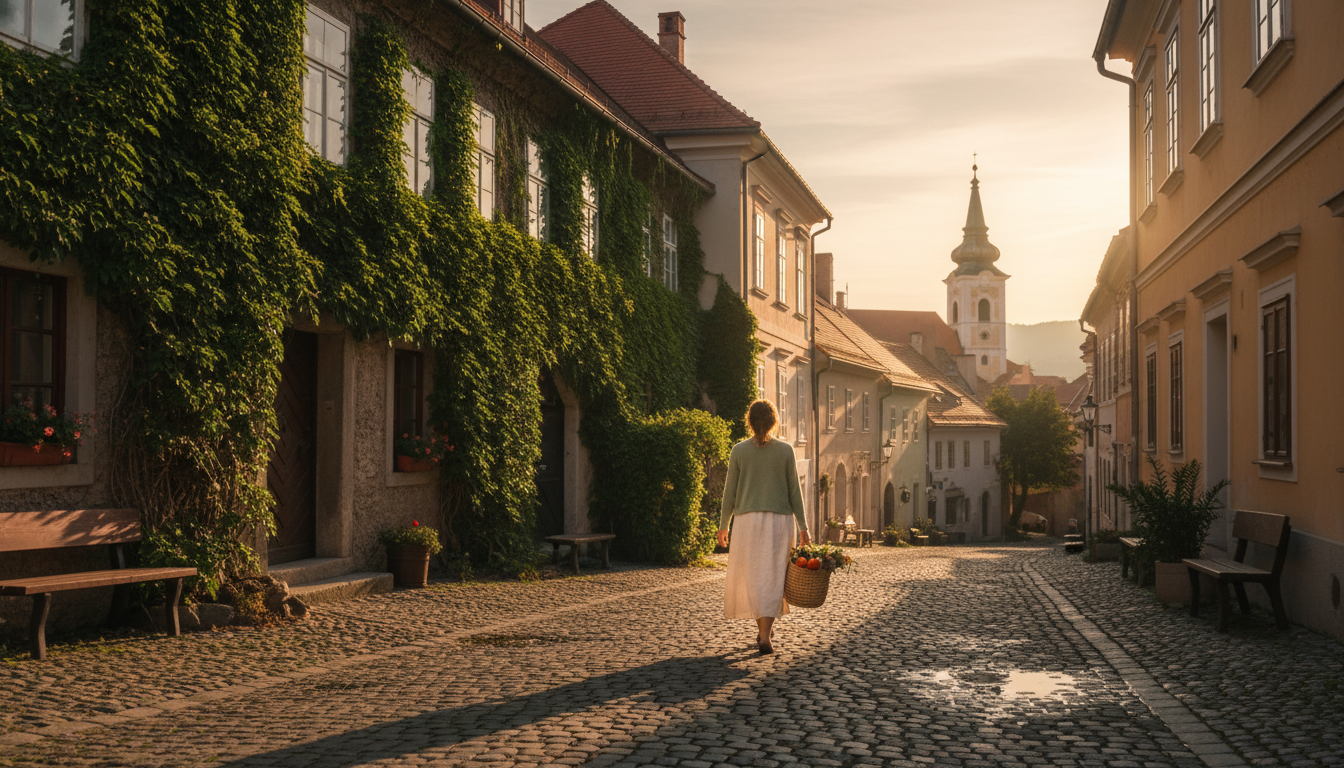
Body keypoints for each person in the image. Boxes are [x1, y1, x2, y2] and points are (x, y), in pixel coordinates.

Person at [716, 399, 809, 654]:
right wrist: (804, 528)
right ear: (773, 421)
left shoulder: (739, 451)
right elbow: (795, 493)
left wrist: (723, 526)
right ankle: (765, 634)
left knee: (756, 578)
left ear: (749, 421)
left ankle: (763, 633)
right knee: (773, 577)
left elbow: (729, 493)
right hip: (780, 521)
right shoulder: (786, 450)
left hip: (747, 522)